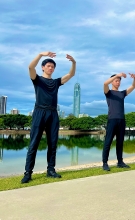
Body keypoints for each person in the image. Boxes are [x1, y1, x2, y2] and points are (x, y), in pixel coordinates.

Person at [21, 52, 76, 184]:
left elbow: (71, 75)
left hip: (53, 113)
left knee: (53, 143)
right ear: (43, 67)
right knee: (33, 143)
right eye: (48, 66)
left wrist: (73, 62)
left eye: (53, 67)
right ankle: (28, 173)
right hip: (39, 112)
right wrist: (40, 54)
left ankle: (51, 170)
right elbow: (30, 67)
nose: (51, 68)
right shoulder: (37, 80)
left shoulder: (56, 82)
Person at [102, 73, 135, 171]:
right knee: (108, 142)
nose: (118, 82)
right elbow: (105, 84)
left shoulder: (122, 93)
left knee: (120, 142)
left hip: (122, 120)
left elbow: (134, 86)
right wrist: (117, 75)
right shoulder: (108, 92)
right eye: (116, 80)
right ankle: (105, 163)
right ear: (112, 81)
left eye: (119, 81)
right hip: (112, 119)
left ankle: (120, 162)